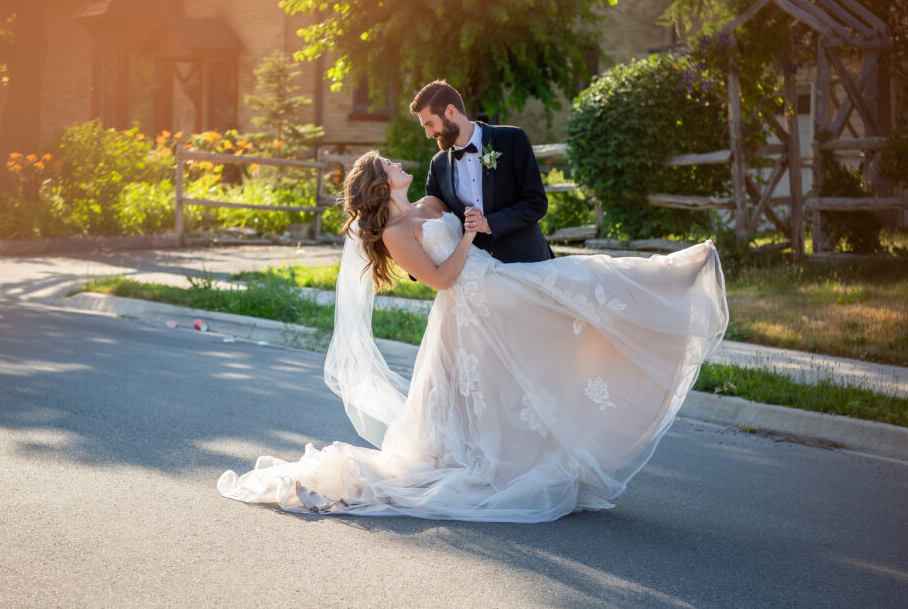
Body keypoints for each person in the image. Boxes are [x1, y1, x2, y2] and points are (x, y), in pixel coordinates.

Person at [218, 151, 728, 523]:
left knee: (580, 287)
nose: (399, 161)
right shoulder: (396, 232)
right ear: (380, 181)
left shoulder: (419, 206)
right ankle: (671, 282)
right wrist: (467, 236)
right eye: (390, 163)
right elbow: (441, 279)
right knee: (570, 305)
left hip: (495, 291)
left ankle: (675, 277)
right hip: (473, 304)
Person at [413, 79, 554, 264]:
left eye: (430, 124)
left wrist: (489, 223)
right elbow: (436, 222)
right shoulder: (438, 165)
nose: (428, 135)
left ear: (450, 111)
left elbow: (536, 203)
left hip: (528, 263)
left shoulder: (512, 140)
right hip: (477, 271)